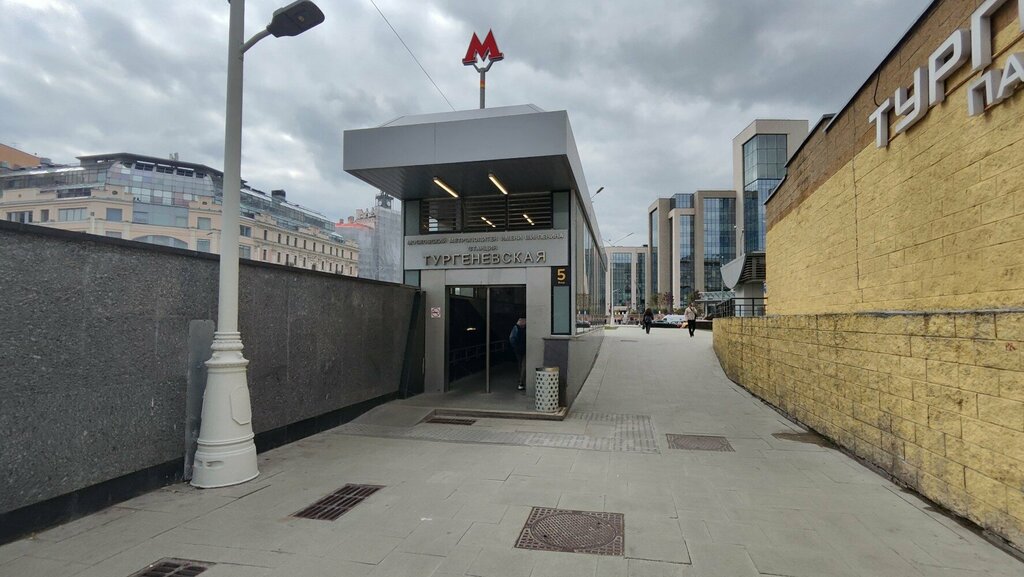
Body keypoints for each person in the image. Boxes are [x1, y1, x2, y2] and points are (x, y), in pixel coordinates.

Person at [509, 317, 527, 390]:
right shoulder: (518, 328)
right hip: (524, 349)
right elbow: (512, 338)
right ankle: (521, 382)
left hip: (518, 350)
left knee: (520, 365)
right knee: (524, 365)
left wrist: (515, 347)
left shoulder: (515, 328)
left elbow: (512, 338)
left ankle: (520, 379)